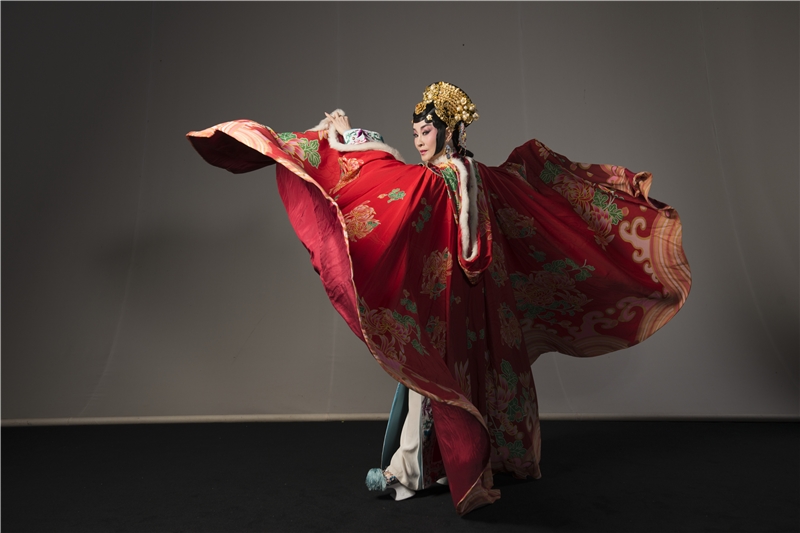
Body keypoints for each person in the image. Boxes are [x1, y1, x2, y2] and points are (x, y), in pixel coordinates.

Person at [186, 82, 691, 516]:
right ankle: (440, 465)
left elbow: (409, 193)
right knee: (453, 377)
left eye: (427, 131)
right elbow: (411, 189)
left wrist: (347, 138)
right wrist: (352, 139)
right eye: (416, 132)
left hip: (460, 299)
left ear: (449, 131)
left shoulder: (458, 174)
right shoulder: (466, 173)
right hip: (465, 299)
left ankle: (412, 472)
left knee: (435, 378)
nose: (419, 140)